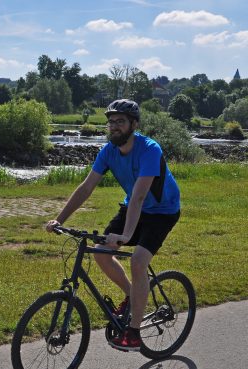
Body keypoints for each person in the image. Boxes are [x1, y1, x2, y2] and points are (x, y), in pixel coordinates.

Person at [45, 99, 180, 351]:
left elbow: (141, 195)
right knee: (101, 253)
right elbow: (86, 187)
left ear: (134, 124)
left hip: (162, 211)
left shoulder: (150, 149)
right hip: (133, 207)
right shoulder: (108, 151)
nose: (114, 126)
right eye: (111, 122)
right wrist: (59, 219)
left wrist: (127, 235)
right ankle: (132, 296)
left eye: (120, 121)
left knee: (138, 261)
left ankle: (134, 333)